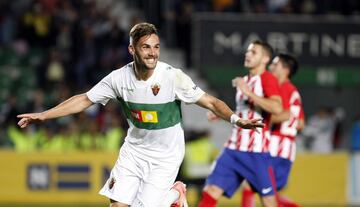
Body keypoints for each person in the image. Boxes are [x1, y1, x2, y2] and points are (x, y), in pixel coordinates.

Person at [17, 22, 263, 207]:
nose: (152, 53)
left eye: (156, 47)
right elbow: (83, 99)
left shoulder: (172, 76)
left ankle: (176, 193)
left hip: (166, 156)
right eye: (146, 47)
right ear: (131, 49)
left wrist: (235, 119)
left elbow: (210, 101)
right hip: (134, 151)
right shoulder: (118, 78)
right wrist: (44, 115)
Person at [198, 40, 282, 207]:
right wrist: (221, 115)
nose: (248, 54)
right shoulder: (244, 80)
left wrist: (248, 92)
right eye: (248, 51)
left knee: (269, 201)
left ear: (265, 59)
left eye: (254, 52)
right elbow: (247, 112)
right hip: (233, 149)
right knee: (211, 190)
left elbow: (277, 107)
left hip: (255, 153)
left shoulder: (267, 79)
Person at [241, 53, 305, 207]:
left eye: (275, 64)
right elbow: (301, 122)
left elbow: (285, 114)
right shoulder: (292, 90)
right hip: (283, 148)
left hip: (276, 147)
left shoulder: (283, 88)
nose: (270, 67)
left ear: (285, 70)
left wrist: (258, 120)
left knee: (254, 187)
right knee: (267, 193)